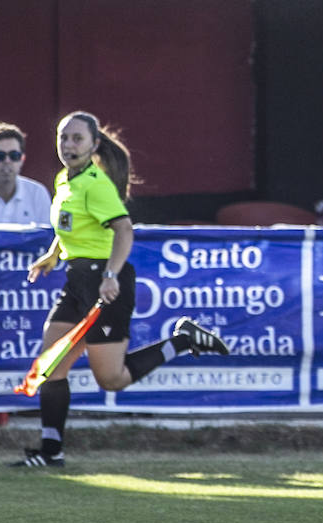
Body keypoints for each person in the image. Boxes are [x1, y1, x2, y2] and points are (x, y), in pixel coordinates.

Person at [13, 111, 230, 467]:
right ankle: (51, 453)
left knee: (111, 379)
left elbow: (125, 230)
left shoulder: (96, 184)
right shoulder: (64, 179)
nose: (68, 145)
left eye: (77, 138)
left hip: (105, 283)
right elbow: (70, 226)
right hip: (77, 280)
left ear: (94, 145)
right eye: (63, 137)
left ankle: (183, 340)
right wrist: (52, 256)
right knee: (50, 364)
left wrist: (111, 275)